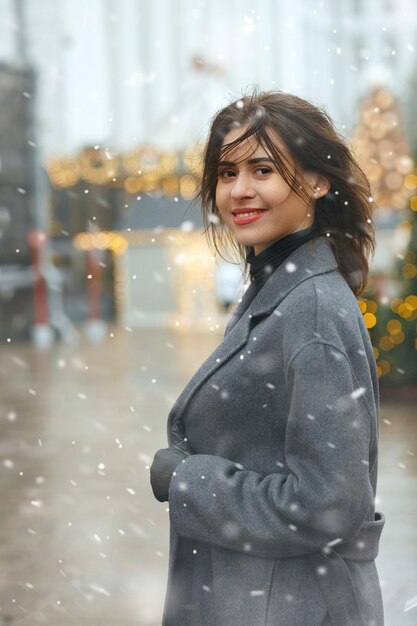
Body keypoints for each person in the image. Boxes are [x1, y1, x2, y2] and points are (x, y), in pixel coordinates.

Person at [150, 91, 385, 626]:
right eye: (228, 172)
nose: (240, 190)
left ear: (319, 182)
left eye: (263, 169)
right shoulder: (277, 288)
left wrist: (188, 481)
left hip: (290, 604)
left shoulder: (313, 310)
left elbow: (330, 504)